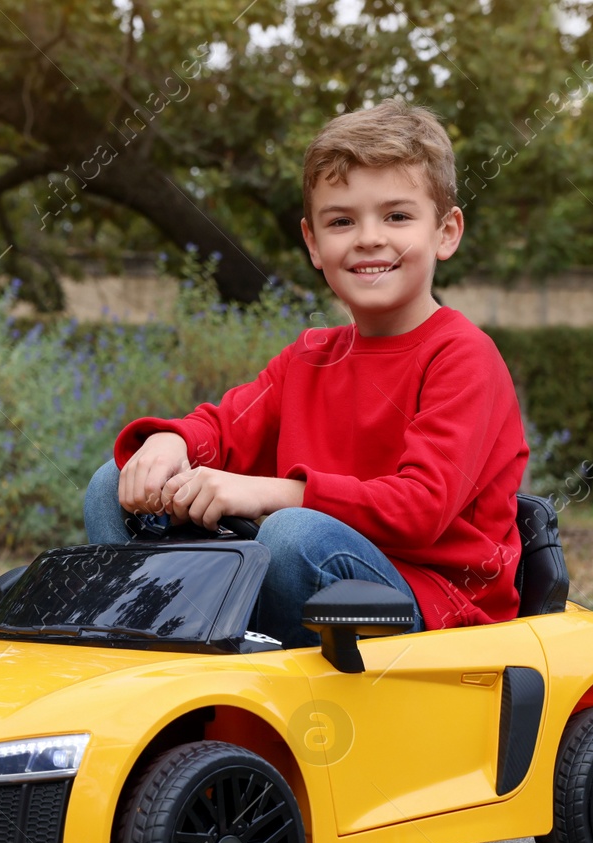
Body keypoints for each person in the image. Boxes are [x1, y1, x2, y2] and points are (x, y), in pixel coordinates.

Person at [83, 99, 530, 648]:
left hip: (431, 603)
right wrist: (172, 441)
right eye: (342, 221)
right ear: (314, 244)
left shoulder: (462, 356)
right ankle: (148, 647)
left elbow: (420, 511)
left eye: (397, 216)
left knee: (293, 533)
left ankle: (228, 657)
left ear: (446, 231)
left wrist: (267, 494)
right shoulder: (310, 356)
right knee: (115, 482)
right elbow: (224, 429)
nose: (369, 237)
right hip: (312, 575)